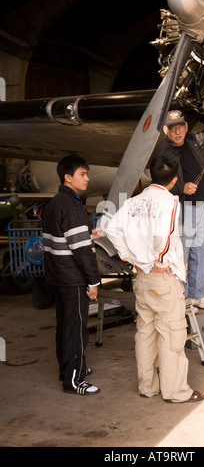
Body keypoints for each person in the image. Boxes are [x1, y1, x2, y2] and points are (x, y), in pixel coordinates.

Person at [104, 154, 204, 403]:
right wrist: (157, 262)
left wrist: (131, 258)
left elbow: (110, 229)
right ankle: (176, 392)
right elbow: (163, 236)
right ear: (174, 181)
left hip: (140, 278)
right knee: (172, 335)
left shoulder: (133, 202)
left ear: (151, 176)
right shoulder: (170, 202)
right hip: (162, 277)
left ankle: (147, 387)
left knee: (146, 333)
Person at [42, 155, 101, 395]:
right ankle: (74, 381)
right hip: (73, 278)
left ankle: (69, 370)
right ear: (68, 177)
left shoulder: (54, 203)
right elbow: (82, 252)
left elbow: (64, 238)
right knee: (76, 330)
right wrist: (93, 281)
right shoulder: (74, 207)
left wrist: (87, 234)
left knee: (65, 326)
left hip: (57, 275)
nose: (87, 178)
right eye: (82, 174)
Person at [152, 109, 204, 310]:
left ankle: (196, 295)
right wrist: (182, 188)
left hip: (198, 206)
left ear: (186, 127)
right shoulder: (163, 151)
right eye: (172, 129)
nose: (177, 132)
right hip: (182, 210)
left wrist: (203, 112)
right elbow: (157, 178)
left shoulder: (192, 140)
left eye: (180, 127)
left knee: (202, 253)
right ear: (166, 130)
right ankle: (180, 298)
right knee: (181, 256)